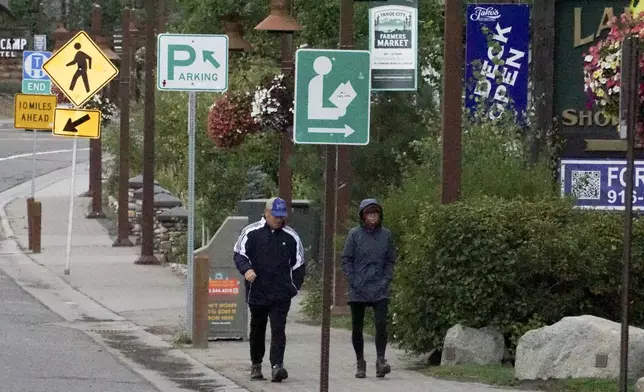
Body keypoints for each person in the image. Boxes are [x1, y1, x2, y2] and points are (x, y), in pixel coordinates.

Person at [233, 197, 305, 382]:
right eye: (275, 216)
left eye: (281, 216)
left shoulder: (291, 236)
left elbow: (299, 265)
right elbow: (239, 253)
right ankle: (256, 365)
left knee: (278, 329)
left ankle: (277, 366)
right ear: (266, 213)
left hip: (281, 293)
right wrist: (247, 270)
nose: (278, 220)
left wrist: (293, 287)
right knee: (257, 328)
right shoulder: (251, 232)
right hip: (258, 290)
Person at [341, 198, 396, 379]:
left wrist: (386, 280)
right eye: (369, 214)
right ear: (363, 216)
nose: (373, 217)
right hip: (359, 287)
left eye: (376, 214)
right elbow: (346, 259)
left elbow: (390, 260)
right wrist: (353, 280)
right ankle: (360, 362)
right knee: (357, 327)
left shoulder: (386, 235)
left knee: (381, 325)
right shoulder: (354, 235)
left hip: (379, 286)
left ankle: (381, 360)